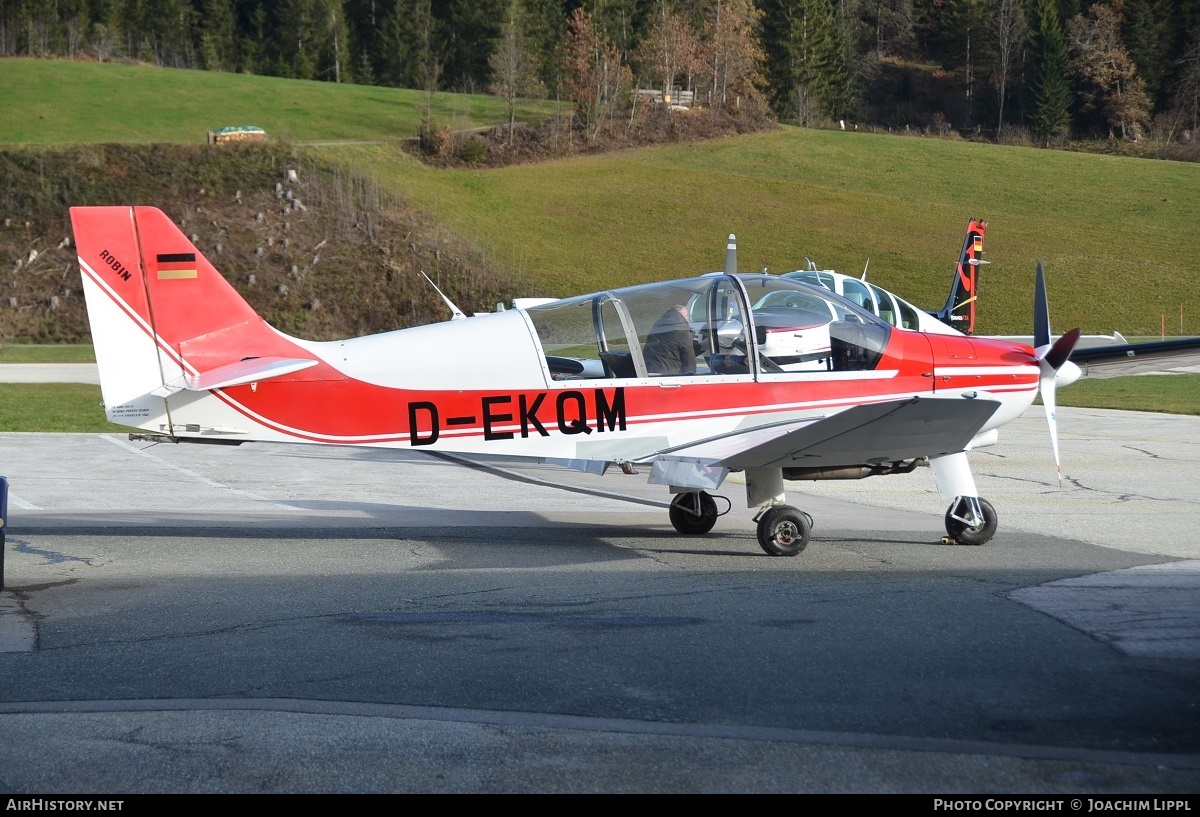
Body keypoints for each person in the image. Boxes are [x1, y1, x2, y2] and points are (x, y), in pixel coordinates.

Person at [642, 304, 696, 375]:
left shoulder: (660, 324)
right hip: (668, 371)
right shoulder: (680, 326)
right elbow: (688, 354)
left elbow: (671, 347)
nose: (688, 318)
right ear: (679, 314)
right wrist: (691, 374)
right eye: (686, 315)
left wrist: (690, 336)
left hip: (650, 367)